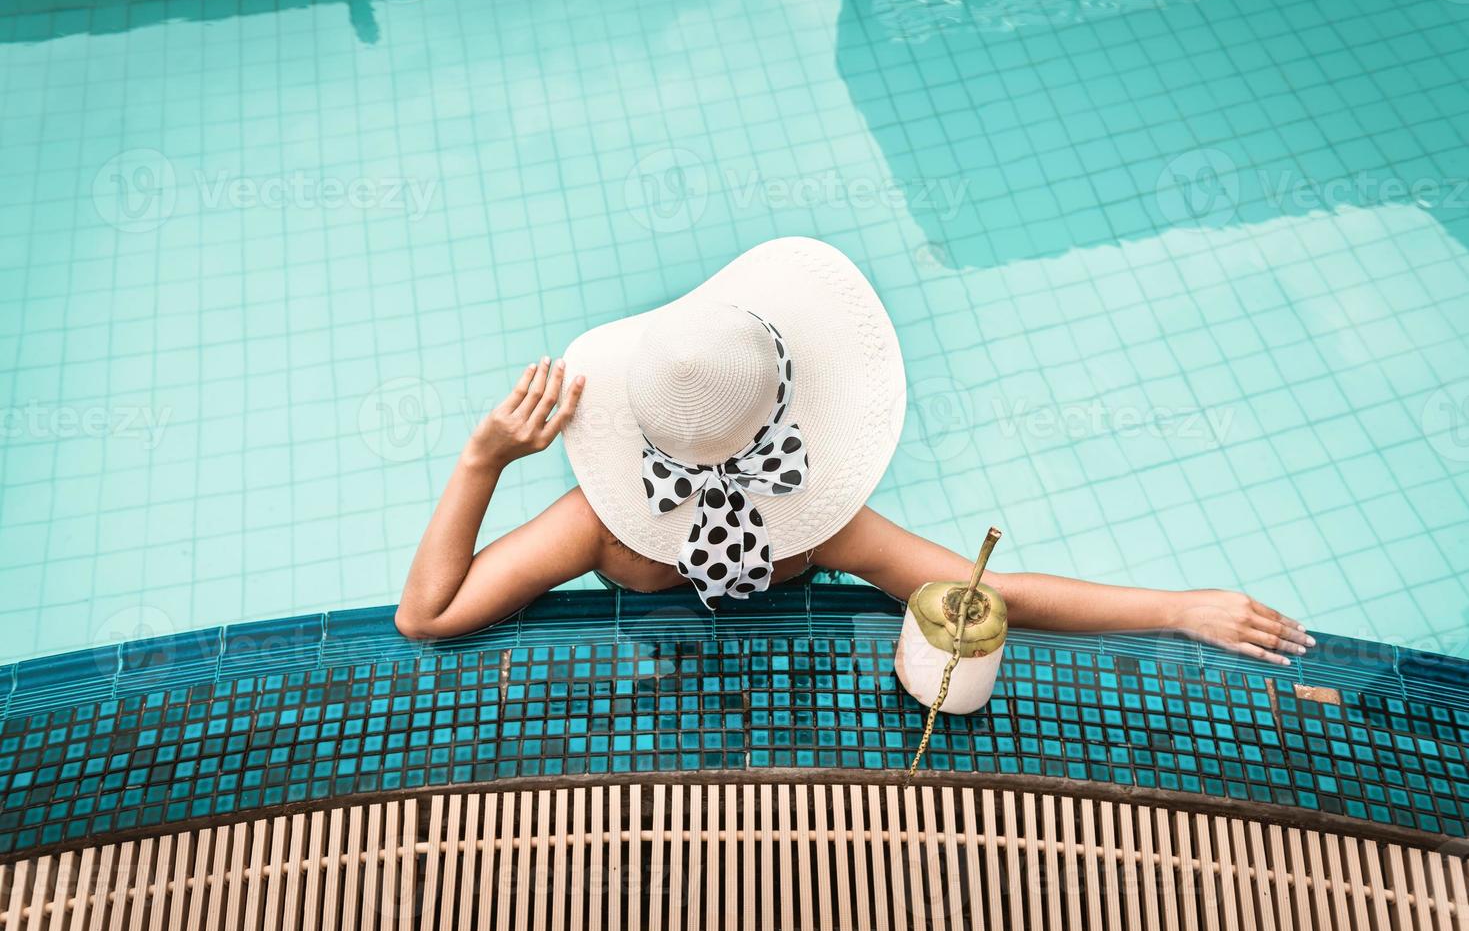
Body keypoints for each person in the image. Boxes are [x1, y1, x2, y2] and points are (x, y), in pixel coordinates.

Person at [396, 238, 1312, 664]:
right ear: (794, 412)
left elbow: (426, 617)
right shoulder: (819, 522)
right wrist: (1174, 608)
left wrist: (483, 460)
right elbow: (986, 597)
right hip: (804, 665)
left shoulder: (593, 528)